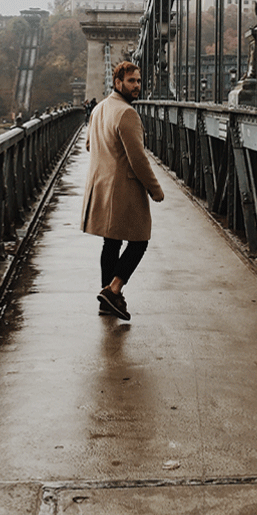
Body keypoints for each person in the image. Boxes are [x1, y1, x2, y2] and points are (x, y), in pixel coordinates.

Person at [81, 62, 164, 321]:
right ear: (117, 83)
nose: (137, 86)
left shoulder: (98, 109)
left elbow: (88, 145)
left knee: (111, 242)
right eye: (131, 81)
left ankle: (107, 298)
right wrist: (155, 189)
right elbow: (138, 158)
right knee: (139, 241)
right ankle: (114, 289)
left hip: (102, 186)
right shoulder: (127, 113)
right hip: (123, 190)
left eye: (139, 81)